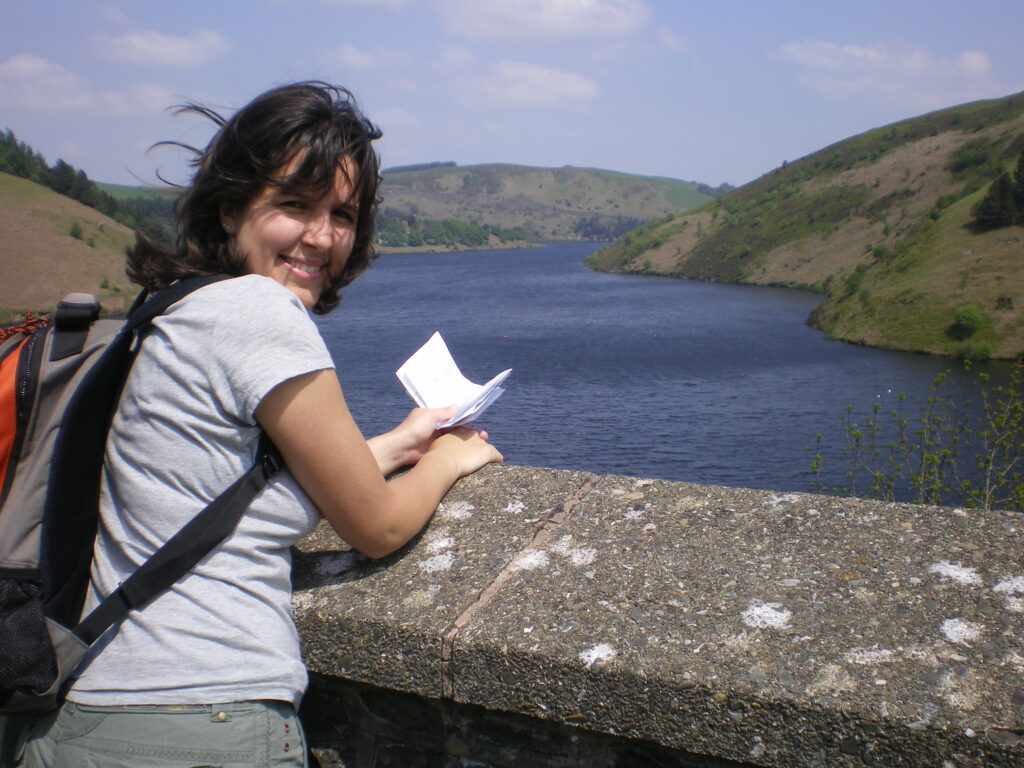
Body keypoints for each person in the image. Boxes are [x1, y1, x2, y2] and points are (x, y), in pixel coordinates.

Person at [16, 81, 502, 767]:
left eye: (342, 214)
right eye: (294, 206)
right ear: (231, 208)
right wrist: (450, 461)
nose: (322, 236)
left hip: (80, 714)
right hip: (199, 719)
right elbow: (376, 527)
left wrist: (397, 442)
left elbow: (216, 486)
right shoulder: (260, 313)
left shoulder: (171, 309)